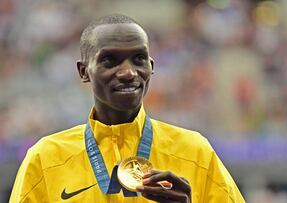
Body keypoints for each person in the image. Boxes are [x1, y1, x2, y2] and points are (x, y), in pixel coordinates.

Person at [10, 14, 245, 203]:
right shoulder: (45, 159)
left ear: (151, 67)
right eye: (109, 60)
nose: (128, 72)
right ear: (83, 72)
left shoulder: (195, 152)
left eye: (138, 59)